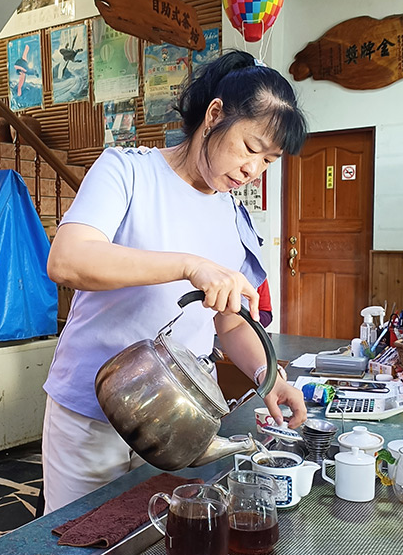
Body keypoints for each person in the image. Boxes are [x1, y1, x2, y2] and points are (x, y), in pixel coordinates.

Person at [42, 50, 309, 513]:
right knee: (74, 547)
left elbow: (230, 323)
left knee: (149, 551)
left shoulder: (233, 215)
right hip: (91, 412)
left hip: (173, 420)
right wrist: (188, 265)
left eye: (268, 161)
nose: (253, 170)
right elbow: (68, 260)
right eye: (250, 148)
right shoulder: (126, 170)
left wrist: (267, 375)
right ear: (214, 116)